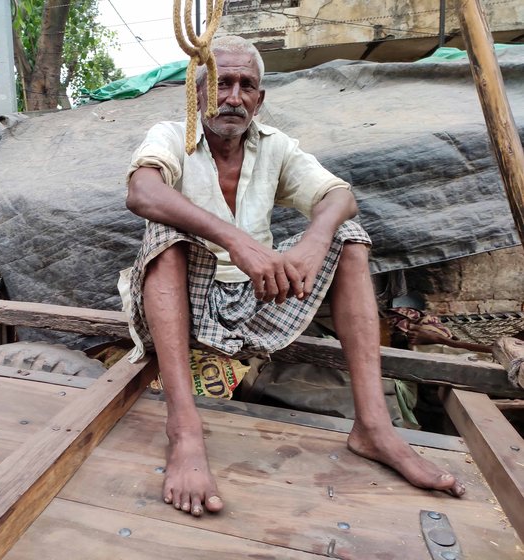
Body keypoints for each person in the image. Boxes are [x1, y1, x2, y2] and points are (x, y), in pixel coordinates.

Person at [118, 35, 465, 517]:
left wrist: (314, 239)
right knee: (165, 235)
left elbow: (339, 196)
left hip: (255, 300)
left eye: (247, 86)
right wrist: (238, 241)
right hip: (185, 304)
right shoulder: (171, 135)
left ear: (260, 100)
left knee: (348, 237)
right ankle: (185, 430)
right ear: (197, 92)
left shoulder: (274, 145)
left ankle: (373, 427)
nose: (233, 97)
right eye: (221, 83)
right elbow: (142, 191)